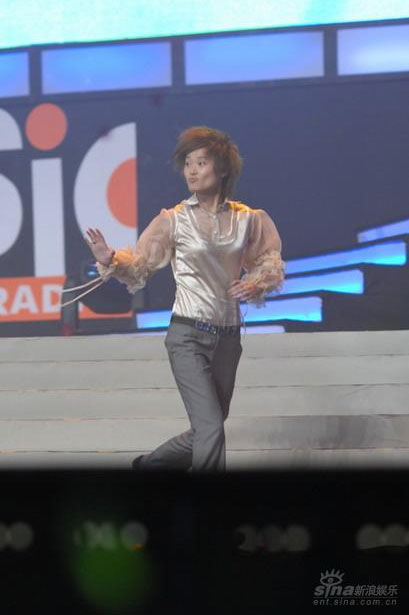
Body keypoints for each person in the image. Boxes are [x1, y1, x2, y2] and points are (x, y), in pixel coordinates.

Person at [82, 126, 284, 472]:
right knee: (211, 428)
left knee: (208, 429)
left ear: (222, 168)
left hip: (228, 337)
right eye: (188, 163)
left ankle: (150, 467)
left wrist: (255, 284)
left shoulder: (249, 219)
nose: (192, 171)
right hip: (187, 335)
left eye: (201, 163)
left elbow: (269, 262)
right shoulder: (173, 220)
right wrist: (110, 259)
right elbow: (140, 266)